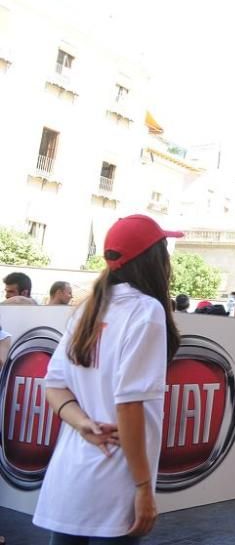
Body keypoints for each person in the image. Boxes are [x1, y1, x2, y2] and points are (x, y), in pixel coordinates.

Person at [32, 213, 183, 542]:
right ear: (155, 259)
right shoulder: (146, 311)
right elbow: (129, 405)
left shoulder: (90, 309)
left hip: (71, 477)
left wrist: (81, 422)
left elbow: (54, 386)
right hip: (115, 484)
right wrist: (144, 487)